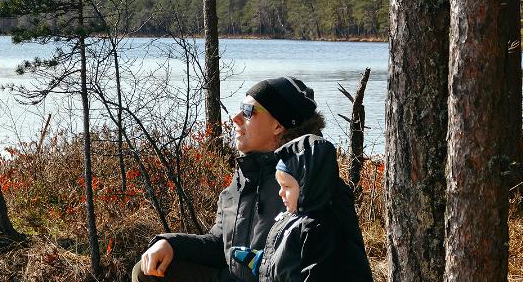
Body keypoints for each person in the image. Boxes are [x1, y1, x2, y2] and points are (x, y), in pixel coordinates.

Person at [132, 76, 372, 282]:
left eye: (248, 111)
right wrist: (171, 244)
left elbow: (342, 268)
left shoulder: (309, 185)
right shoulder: (243, 178)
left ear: (278, 125)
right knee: (148, 271)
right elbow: (221, 246)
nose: (236, 118)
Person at [230, 134, 367, 281]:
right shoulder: (299, 216)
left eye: (287, 186)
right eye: (280, 186)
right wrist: (261, 261)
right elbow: (291, 260)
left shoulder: (319, 229)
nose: (280, 192)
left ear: (307, 186)